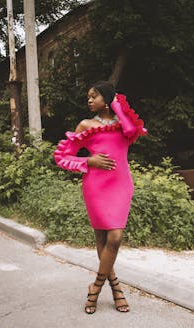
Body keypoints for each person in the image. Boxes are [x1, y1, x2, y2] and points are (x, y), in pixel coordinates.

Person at [53, 81, 147, 314]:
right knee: (102, 238)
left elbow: (131, 131)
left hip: (121, 184)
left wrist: (116, 106)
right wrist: (88, 161)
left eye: (94, 96)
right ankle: (115, 288)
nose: (89, 100)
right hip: (96, 184)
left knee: (115, 236)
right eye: (88, 97)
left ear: (107, 99)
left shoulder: (125, 125)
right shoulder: (86, 125)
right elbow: (62, 156)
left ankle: (97, 285)